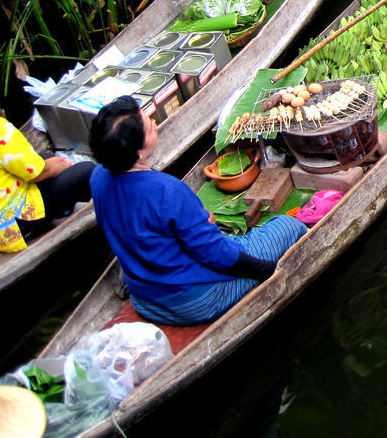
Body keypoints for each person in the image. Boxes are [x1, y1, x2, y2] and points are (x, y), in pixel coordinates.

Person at [89, 96, 307, 325]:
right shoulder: (167, 191)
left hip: (144, 299)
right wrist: (266, 270)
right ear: (138, 153)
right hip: (195, 301)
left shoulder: (98, 178)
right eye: (148, 126)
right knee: (288, 225)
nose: (154, 124)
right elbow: (219, 256)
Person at [0, 47, 93, 252]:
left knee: (48, 158)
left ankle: (61, 210)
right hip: (7, 227)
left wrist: (51, 164)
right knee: (85, 170)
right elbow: (38, 172)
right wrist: (59, 165)